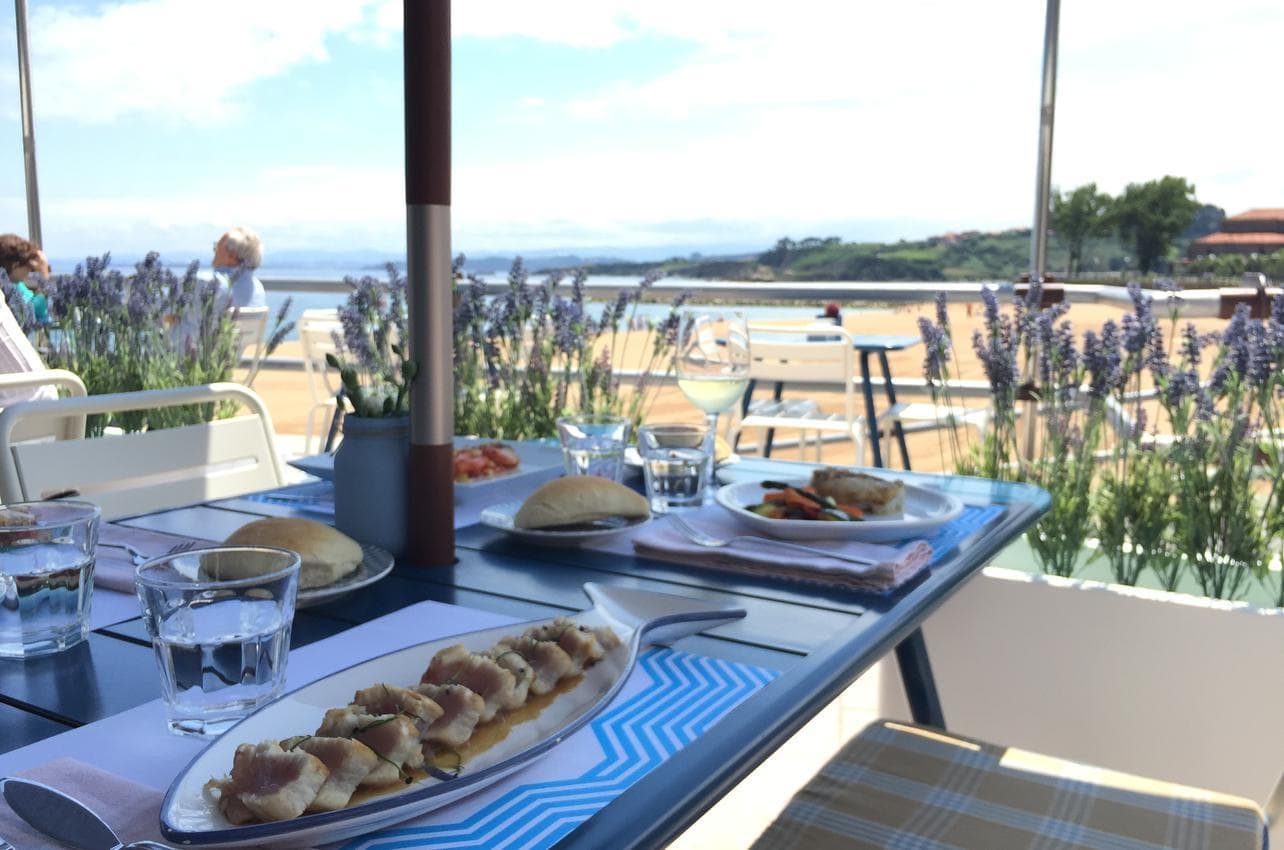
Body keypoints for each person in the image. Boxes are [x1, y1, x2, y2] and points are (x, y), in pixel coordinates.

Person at [0, 234, 55, 404]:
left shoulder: (14, 291)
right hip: (32, 404)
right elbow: (42, 312)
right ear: (16, 265)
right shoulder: (12, 294)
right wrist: (44, 274)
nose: (29, 274)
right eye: (29, 269)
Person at [212, 226, 267, 309]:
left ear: (232, 255)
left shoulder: (215, 284)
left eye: (217, 246)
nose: (214, 250)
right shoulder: (258, 288)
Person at [0, 233, 50, 324]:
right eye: (29, 267)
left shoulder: (17, 284)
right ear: (15, 265)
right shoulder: (7, 290)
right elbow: (36, 312)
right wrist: (44, 275)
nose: (29, 272)